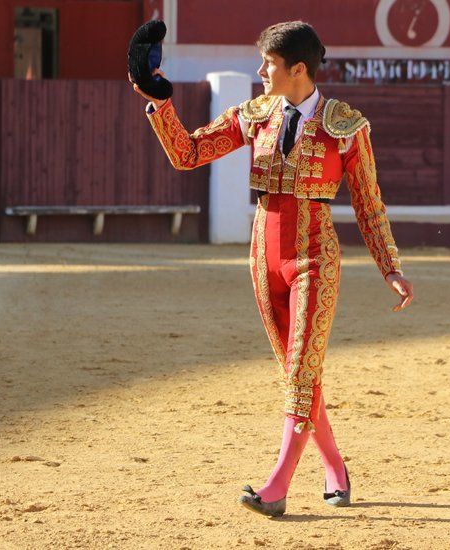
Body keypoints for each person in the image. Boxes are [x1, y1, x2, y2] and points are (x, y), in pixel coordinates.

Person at [130, 20, 414, 517]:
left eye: (269, 64)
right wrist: (159, 101)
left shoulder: (346, 124)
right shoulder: (255, 114)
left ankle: (277, 487)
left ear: (298, 69)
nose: (261, 71)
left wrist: (389, 265)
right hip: (263, 252)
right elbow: (188, 153)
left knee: (302, 370)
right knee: (296, 372)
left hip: (314, 254)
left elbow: (369, 202)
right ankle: (336, 470)